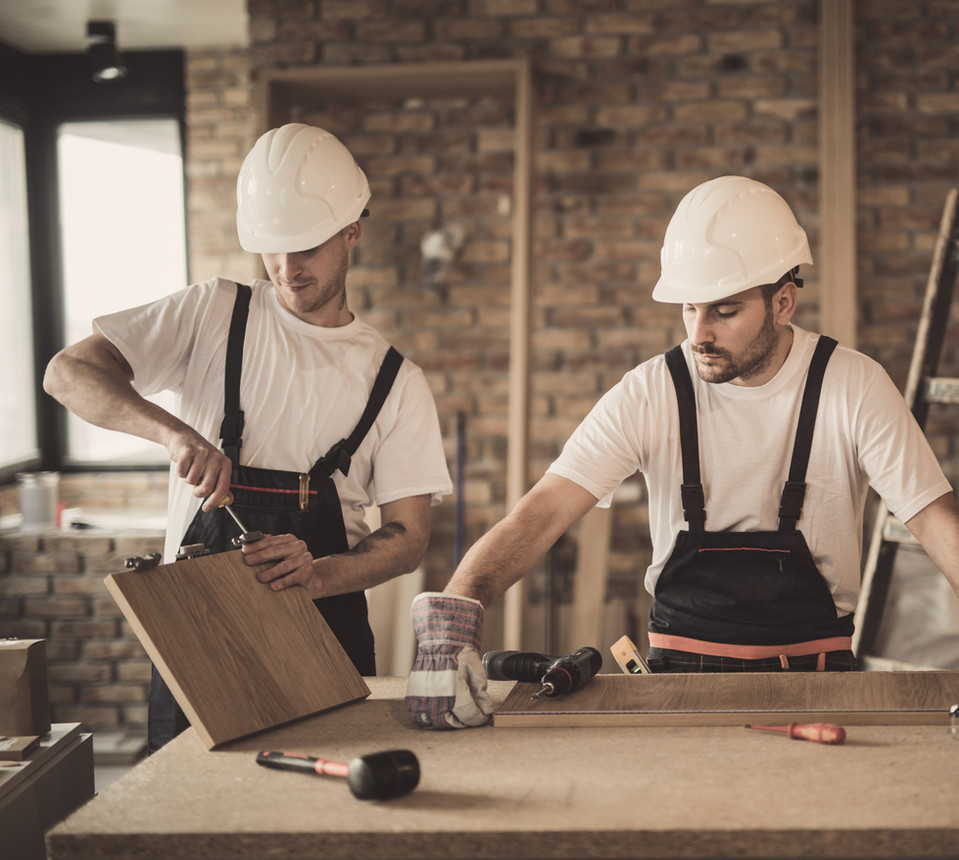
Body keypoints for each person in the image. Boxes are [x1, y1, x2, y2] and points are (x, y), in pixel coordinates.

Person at [405, 174, 959, 730]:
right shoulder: (651, 392)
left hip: (816, 681)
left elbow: (934, 522)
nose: (699, 333)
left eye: (724, 310)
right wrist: (459, 610)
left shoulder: (854, 386)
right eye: (689, 309)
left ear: (783, 302)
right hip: (674, 685)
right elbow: (545, 509)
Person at [44, 123, 453, 749]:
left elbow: (408, 538)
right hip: (197, 639)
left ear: (352, 232)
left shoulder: (395, 380)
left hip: (322, 641)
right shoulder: (212, 314)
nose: (287, 270)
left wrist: (317, 574)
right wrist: (173, 433)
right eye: (272, 249)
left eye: (307, 248)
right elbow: (68, 372)